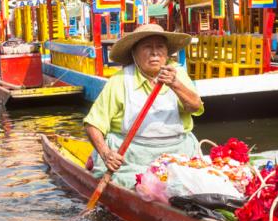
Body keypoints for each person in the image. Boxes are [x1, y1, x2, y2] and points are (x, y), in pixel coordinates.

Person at [84, 24, 203, 187]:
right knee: (136, 185)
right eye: (147, 47)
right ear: (134, 53)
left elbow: (195, 107)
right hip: (131, 159)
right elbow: (92, 124)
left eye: (160, 47)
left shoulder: (178, 74)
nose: (155, 52)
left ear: (167, 52)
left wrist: (175, 84)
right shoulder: (120, 81)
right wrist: (106, 154)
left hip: (178, 154)